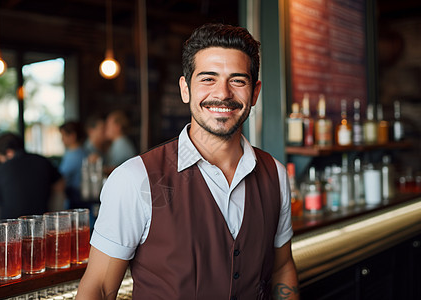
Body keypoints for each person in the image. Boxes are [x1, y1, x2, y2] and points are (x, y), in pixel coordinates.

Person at [77, 23, 299, 300]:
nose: (223, 93)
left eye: (238, 80)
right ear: (185, 89)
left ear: (254, 93)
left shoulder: (275, 175)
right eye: (208, 79)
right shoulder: (134, 178)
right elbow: (97, 289)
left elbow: (281, 267)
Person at [0, 132, 64, 218]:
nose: (1, 162)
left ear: (9, 152)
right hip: (42, 221)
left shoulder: (0, 171)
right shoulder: (42, 161)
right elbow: (61, 185)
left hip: (12, 225)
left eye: (0, 158)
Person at [59, 121, 87, 208]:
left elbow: (61, 177)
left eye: (63, 135)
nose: (62, 139)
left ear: (72, 136)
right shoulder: (79, 152)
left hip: (75, 199)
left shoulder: (75, 156)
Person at [103, 109, 136, 175]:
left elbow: (113, 169)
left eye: (108, 125)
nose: (105, 128)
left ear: (117, 127)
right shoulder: (118, 142)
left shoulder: (121, 144)